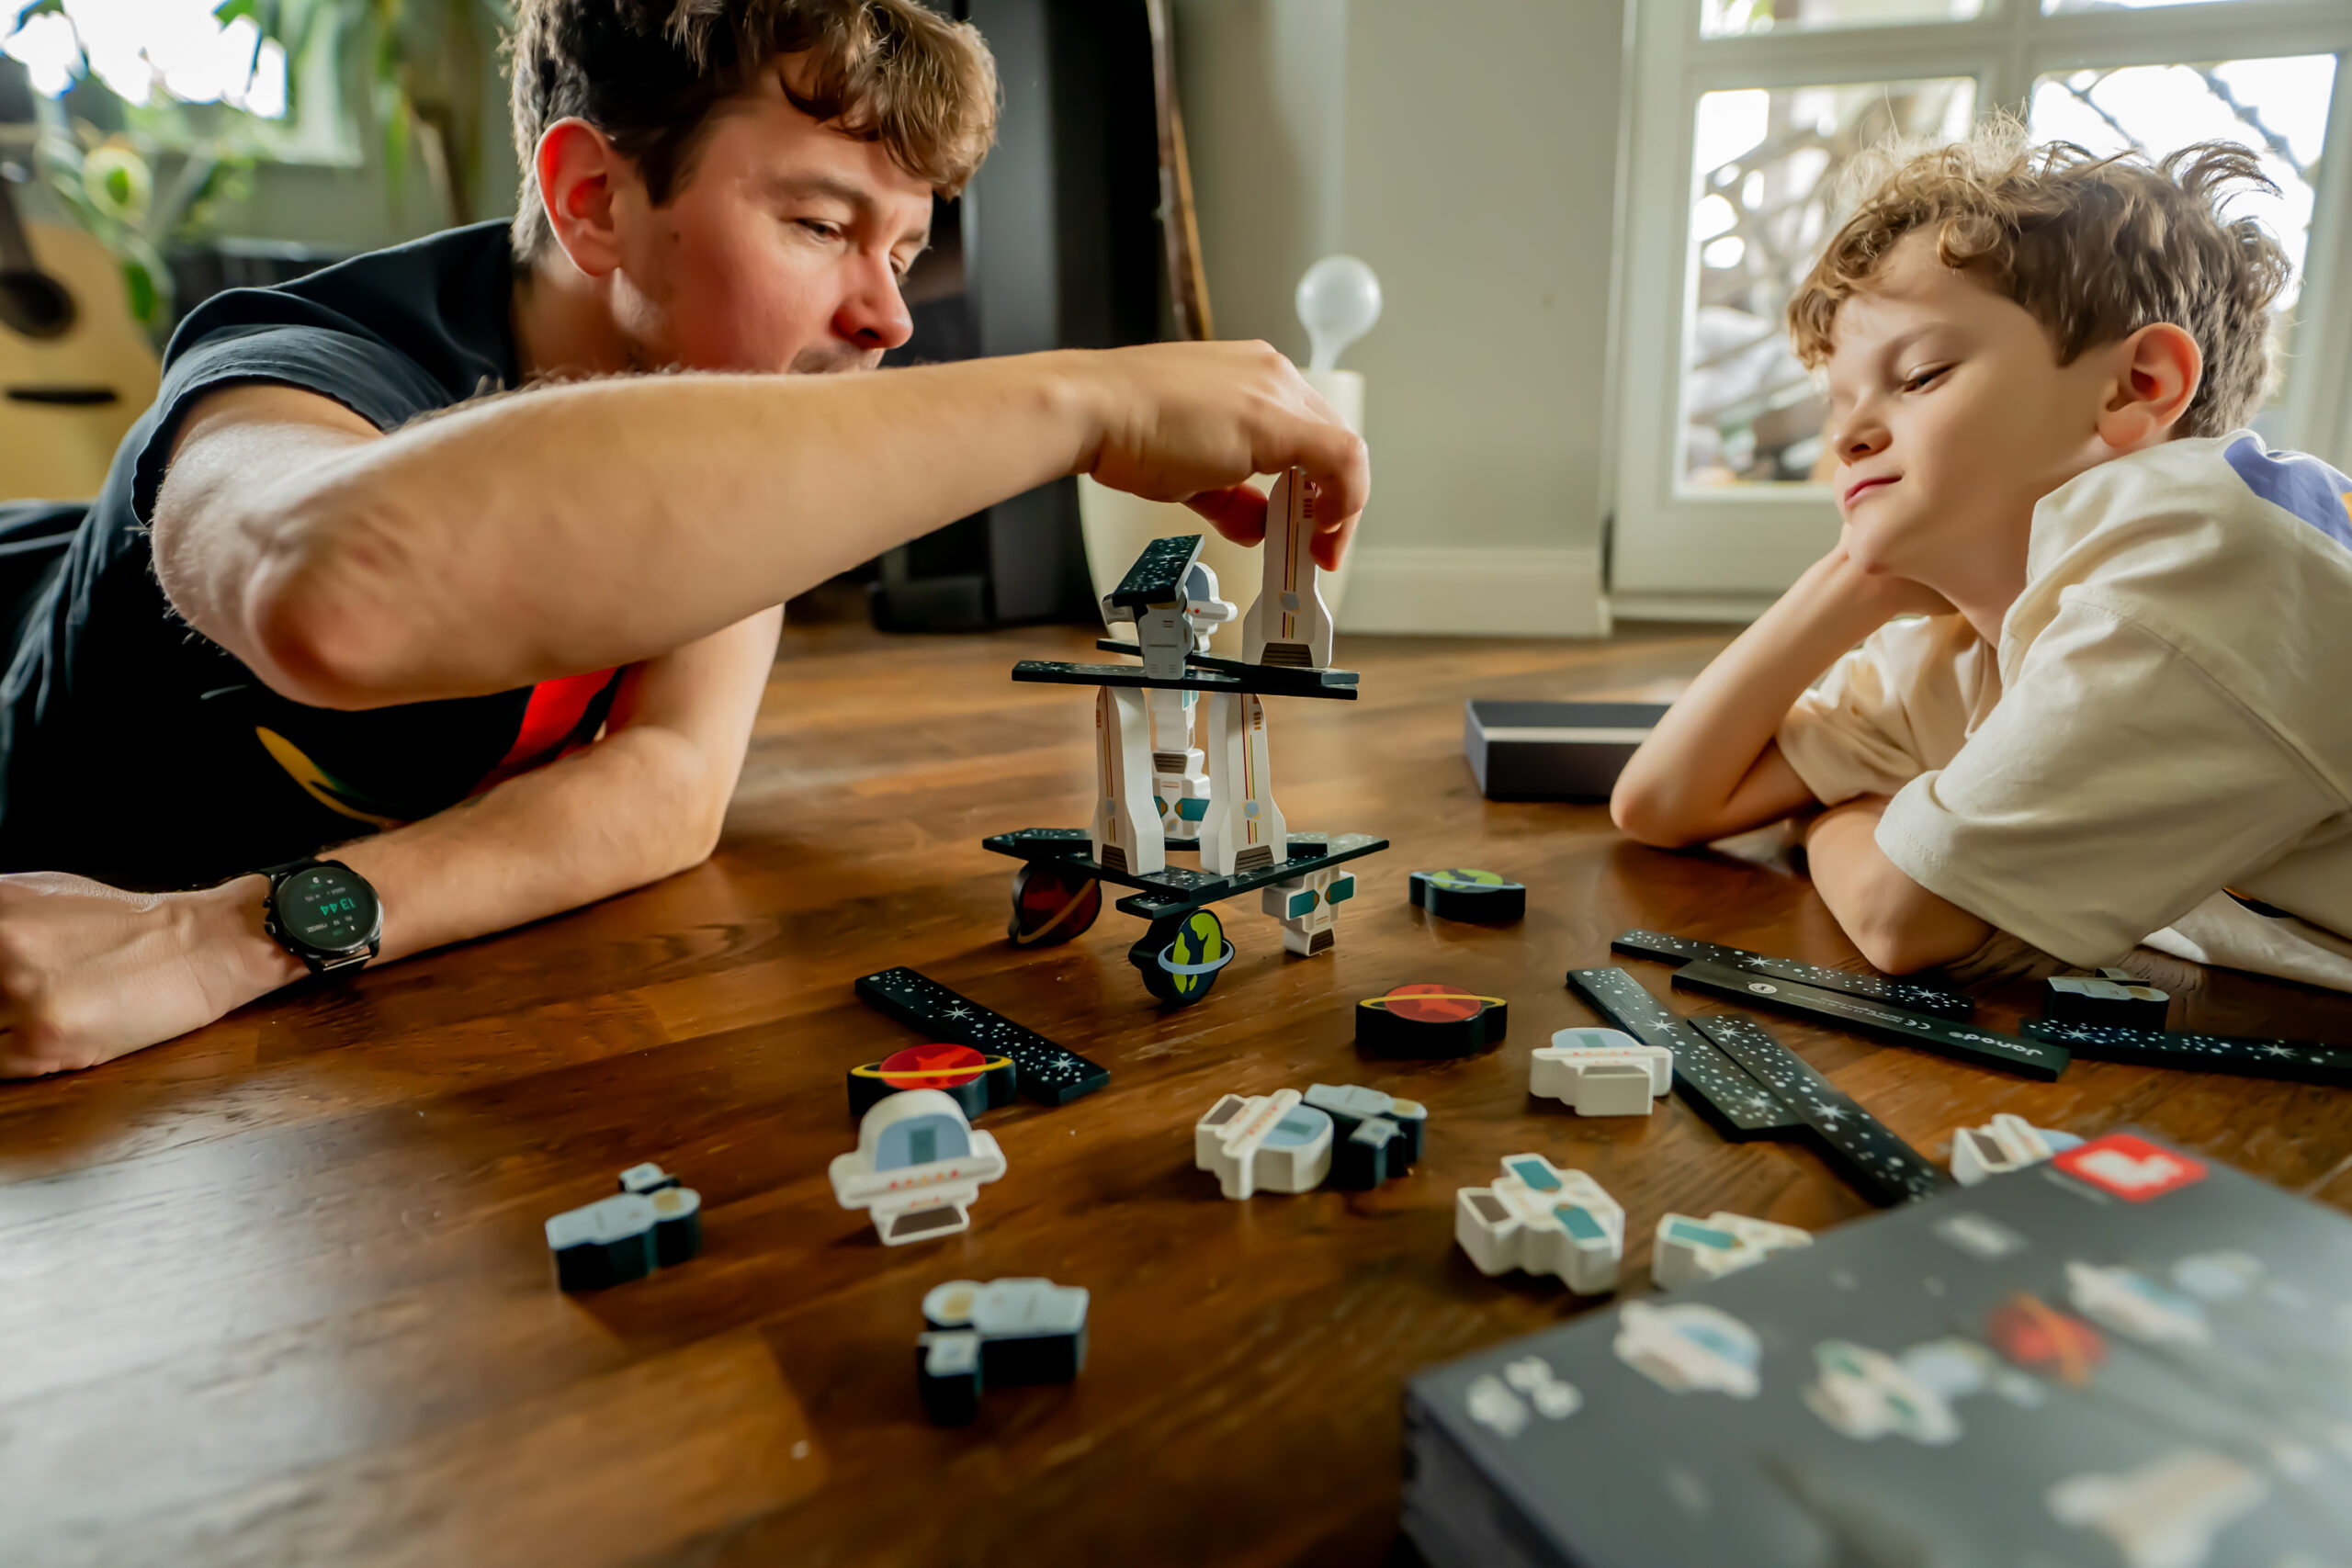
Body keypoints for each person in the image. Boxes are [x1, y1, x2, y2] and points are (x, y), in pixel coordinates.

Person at [0, 0, 1367, 1077]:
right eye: (820, 224)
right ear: (595, 199)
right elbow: (336, 597)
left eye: (903, 253)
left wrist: (229, 937)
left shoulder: (720, 401)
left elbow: (667, 777)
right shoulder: (294, 366)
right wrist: (1084, 402)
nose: (889, 318)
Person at [1611, 123, 2352, 992]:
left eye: (1920, 375)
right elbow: (1660, 802)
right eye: (1839, 403)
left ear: (2136, 386)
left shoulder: (2205, 550)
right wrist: (1854, 579)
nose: (1847, 435)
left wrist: (1840, 819)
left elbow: (1903, 916)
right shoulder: (1966, 642)